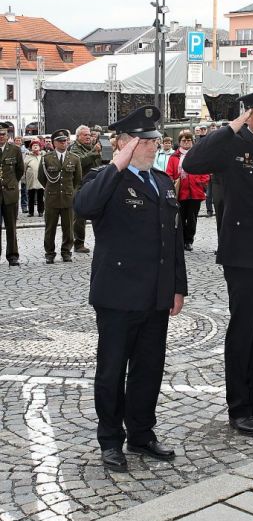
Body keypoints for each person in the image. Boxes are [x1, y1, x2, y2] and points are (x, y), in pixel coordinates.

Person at [74, 106, 187, 472]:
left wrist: (177, 287)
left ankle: (141, 432)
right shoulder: (103, 178)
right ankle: (110, 440)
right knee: (111, 371)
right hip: (118, 295)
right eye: (144, 139)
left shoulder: (162, 181)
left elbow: (173, 240)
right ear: (123, 144)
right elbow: (85, 207)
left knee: (149, 368)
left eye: (155, 139)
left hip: (155, 294)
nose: (154, 145)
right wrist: (116, 164)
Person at [183, 87, 253, 438]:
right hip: (243, 255)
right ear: (250, 116)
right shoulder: (232, 145)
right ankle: (240, 407)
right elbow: (192, 163)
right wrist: (230, 127)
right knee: (243, 331)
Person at [38, 129, 82, 264]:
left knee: (68, 227)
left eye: (65, 140)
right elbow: (42, 178)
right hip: (52, 198)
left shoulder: (74, 158)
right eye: (60, 141)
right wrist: (51, 189)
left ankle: (66, 252)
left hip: (68, 198)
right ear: (54, 143)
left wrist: (70, 191)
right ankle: (49, 253)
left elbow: (77, 179)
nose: (64, 143)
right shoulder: (46, 158)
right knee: (50, 228)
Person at [166, 131, 210, 251]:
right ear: (179, 142)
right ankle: (180, 239)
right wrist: (174, 182)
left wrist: (201, 183)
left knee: (192, 218)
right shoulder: (174, 157)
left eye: (189, 140)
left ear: (192, 141)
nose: (186, 142)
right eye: (184, 140)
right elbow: (169, 173)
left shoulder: (198, 155)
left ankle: (189, 240)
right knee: (180, 218)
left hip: (195, 192)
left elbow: (205, 171)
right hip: (180, 192)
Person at [70, 125, 102, 253]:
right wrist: (94, 152)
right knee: (79, 217)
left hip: (95, 183)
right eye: (85, 135)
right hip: (80, 185)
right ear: (78, 137)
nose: (88, 137)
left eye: (89, 135)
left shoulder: (92, 147)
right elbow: (80, 161)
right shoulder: (74, 148)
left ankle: (100, 240)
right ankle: (79, 243)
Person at [0, 125, 24, 266]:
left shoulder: (15, 150)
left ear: (7, 135)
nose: (1, 136)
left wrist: (12, 183)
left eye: (3, 134)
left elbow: (20, 170)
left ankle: (13, 255)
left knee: (11, 227)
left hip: (10, 194)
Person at [24, 140, 45, 217]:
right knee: (31, 196)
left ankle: (40, 211)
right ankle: (31, 212)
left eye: (37, 145)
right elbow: (24, 168)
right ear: (31, 148)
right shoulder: (28, 157)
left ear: (40, 147)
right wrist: (24, 180)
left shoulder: (42, 157)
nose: (35, 146)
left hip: (40, 180)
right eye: (33, 145)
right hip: (31, 179)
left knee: (40, 196)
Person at [13, 136, 28, 214]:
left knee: (24, 191)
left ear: (21, 141)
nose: (18, 142)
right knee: (16, 193)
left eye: (19, 140)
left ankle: (24, 206)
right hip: (15, 174)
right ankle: (16, 209)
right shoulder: (12, 150)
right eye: (16, 140)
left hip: (23, 173)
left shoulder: (26, 151)